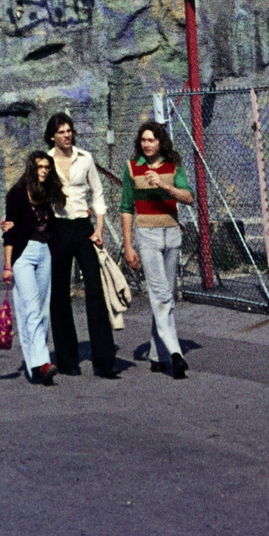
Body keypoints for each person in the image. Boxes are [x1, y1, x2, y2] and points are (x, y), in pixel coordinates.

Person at [45, 113, 117, 378]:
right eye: (61, 131)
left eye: (69, 131)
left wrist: (99, 228)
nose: (67, 135)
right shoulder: (46, 161)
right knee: (60, 293)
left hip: (83, 227)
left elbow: (97, 193)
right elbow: (32, 192)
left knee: (95, 291)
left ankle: (104, 360)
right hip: (58, 228)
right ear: (52, 135)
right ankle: (67, 359)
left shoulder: (85, 158)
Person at [121, 120, 194, 379]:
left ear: (160, 142)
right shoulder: (132, 168)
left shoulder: (173, 166)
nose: (147, 144)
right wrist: (129, 245)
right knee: (161, 296)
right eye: (143, 140)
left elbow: (189, 197)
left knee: (166, 294)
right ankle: (175, 354)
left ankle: (157, 354)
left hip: (172, 233)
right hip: (148, 235)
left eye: (151, 140)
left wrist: (164, 185)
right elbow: (127, 208)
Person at [2, 151, 63, 385]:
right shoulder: (17, 194)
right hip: (23, 255)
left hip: (44, 250)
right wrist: (7, 266)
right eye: (40, 166)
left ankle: (35, 366)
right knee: (31, 307)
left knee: (42, 309)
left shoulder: (47, 192)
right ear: (31, 168)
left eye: (47, 166)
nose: (45, 170)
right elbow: (9, 232)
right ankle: (42, 362)